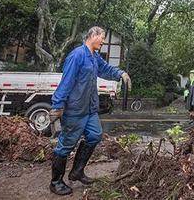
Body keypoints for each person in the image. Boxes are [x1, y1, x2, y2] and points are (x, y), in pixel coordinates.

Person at [48, 26, 132, 195]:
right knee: (65, 146)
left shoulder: (94, 57)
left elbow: (106, 69)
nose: (103, 41)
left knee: (95, 135)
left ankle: (77, 172)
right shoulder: (77, 55)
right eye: (102, 37)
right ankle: (56, 182)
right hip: (75, 109)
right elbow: (67, 81)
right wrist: (57, 105)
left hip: (89, 109)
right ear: (92, 36)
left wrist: (121, 74)